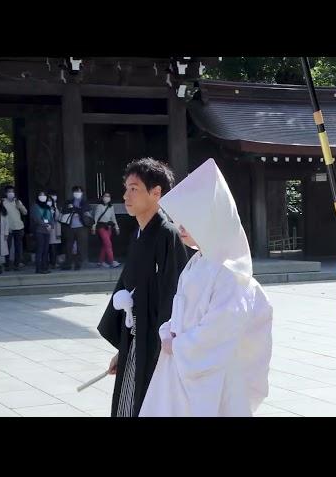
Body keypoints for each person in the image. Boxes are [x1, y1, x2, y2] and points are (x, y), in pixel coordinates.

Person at [139, 158, 273, 417]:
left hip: (211, 371)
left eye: (190, 220)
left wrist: (180, 345)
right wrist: (169, 330)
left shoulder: (230, 273)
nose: (181, 227)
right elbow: (182, 309)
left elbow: (220, 328)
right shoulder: (197, 263)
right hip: (182, 362)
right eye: (181, 220)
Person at [97, 158, 189, 417]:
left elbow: (173, 295)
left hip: (156, 345)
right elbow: (127, 289)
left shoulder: (167, 234)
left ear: (156, 192)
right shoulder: (139, 234)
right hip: (137, 340)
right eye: (126, 188)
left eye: (134, 188)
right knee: (129, 407)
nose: (126, 195)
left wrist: (165, 351)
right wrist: (124, 350)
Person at [60, 185, 93, 271]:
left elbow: (84, 210)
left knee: (80, 246)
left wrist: (74, 209)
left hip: (81, 227)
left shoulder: (84, 202)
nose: (77, 193)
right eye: (76, 191)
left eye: (79, 191)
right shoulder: (68, 202)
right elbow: (64, 210)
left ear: (82, 193)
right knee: (69, 246)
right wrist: (78, 210)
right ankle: (68, 264)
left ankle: (78, 264)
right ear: (73, 193)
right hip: (70, 227)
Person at [92, 192, 120, 268]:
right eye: (105, 196)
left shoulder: (111, 207)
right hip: (101, 227)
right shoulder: (99, 206)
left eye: (108, 196)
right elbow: (96, 218)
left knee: (105, 245)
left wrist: (117, 227)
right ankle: (111, 261)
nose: (107, 198)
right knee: (108, 244)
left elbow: (113, 218)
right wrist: (93, 227)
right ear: (102, 197)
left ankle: (101, 262)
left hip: (109, 227)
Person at [2, 185, 27, 271]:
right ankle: (7, 264)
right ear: (6, 193)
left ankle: (17, 264)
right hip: (8, 229)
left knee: (18, 247)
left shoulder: (17, 202)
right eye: (9, 192)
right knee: (7, 247)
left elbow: (25, 212)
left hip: (19, 227)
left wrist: (19, 206)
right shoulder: (3, 203)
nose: (11, 193)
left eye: (12, 192)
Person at [30, 191, 54, 274]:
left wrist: (51, 225)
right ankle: (38, 268)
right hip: (39, 230)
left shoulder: (47, 207)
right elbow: (37, 219)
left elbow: (51, 218)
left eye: (44, 195)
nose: (42, 196)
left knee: (46, 249)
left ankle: (45, 267)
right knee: (40, 249)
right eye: (40, 195)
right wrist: (46, 225)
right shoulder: (35, 206)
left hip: (47, 231)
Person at [47, 191, 62, 269]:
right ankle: (50, 262)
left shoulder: (57, 206)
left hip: (56, 229)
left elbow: (58, 217)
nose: (53, 197)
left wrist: (55, 209)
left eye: (54, 195)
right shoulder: (45, 207)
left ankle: (54, 262)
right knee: (49, 246)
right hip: (48, 228)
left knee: (54, 246)